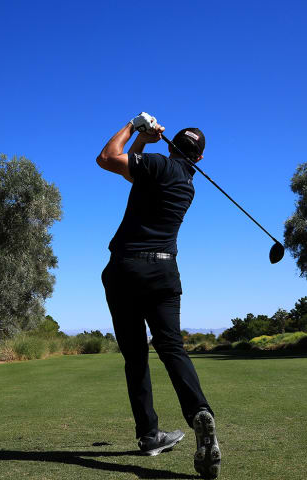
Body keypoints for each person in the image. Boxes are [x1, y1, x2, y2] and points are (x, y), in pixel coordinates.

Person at [96, 112, 221, 478]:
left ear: (173, 146)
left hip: (125, 269)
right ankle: (200, 412)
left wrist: (133, 126)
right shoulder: (185, 182)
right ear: (198, 159)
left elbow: (106, 158)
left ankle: (149, 435)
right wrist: (145, 144)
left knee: (136, 357)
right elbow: (129, 171)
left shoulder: (157, 165)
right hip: (164, 272)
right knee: (172, 348)